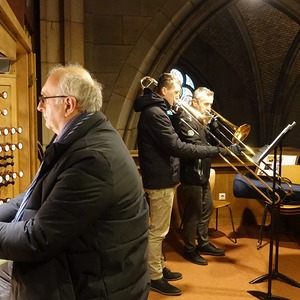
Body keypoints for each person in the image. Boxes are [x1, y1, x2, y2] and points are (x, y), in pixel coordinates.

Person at [0, 64, 150, 300]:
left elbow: (38, 239)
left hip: (95, 287)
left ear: (68, 104)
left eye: (44, 99)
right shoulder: (79, 138)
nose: (39, 106)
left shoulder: (93, 158)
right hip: (78, 267)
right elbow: (32, 196)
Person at [134, 73, 233, 296]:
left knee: (160, 229)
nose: (178, 97)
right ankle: (155, 276)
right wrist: (218, 151)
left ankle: (158, 267)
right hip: (160, 180)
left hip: (163, 178)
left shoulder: (158, 111)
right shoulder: (155, 113)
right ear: (163, 91)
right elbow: (178, 147)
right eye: (176, 92)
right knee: (158, 232)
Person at [173, 87, 230, 266]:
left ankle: (203, 242)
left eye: (211, 104)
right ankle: (189, 249)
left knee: (208, 208)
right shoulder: (185, 120)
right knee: (193, 215)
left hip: (202, 174)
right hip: (191, 175)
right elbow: (196, 147)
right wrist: (221, 150)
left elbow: (211, 143)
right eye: (206, 104)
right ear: (195, 102)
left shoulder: (201, 121)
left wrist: (215, 128)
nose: (209, 108)